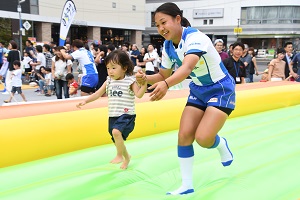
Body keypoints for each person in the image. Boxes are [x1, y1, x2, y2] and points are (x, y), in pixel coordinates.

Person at [136, 2, 235, 195]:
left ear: (178, 19)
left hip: (220, 89)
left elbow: (186, 68)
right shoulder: (167, 46)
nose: (161, 28)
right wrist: (145, 78)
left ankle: (221, 144)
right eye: (157, 25)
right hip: (198, 90)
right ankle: (187, 185)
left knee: (203, 138)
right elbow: (163, 75)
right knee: (184, 136)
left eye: (163, 22)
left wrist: (166, 85)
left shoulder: (195, 37)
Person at [76, 49, 147, 169]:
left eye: (114, 68)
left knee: (116, 132)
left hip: (127, 114)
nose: (110, 71)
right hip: (113, 115)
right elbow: (98, 94)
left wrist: (144, 84)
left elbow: (139, 95)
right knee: (116, 138)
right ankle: (127, 157)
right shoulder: (109, 81)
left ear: (124, 68)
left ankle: (119, 155)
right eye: (108, 68)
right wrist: (85, 101)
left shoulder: (129, 81)